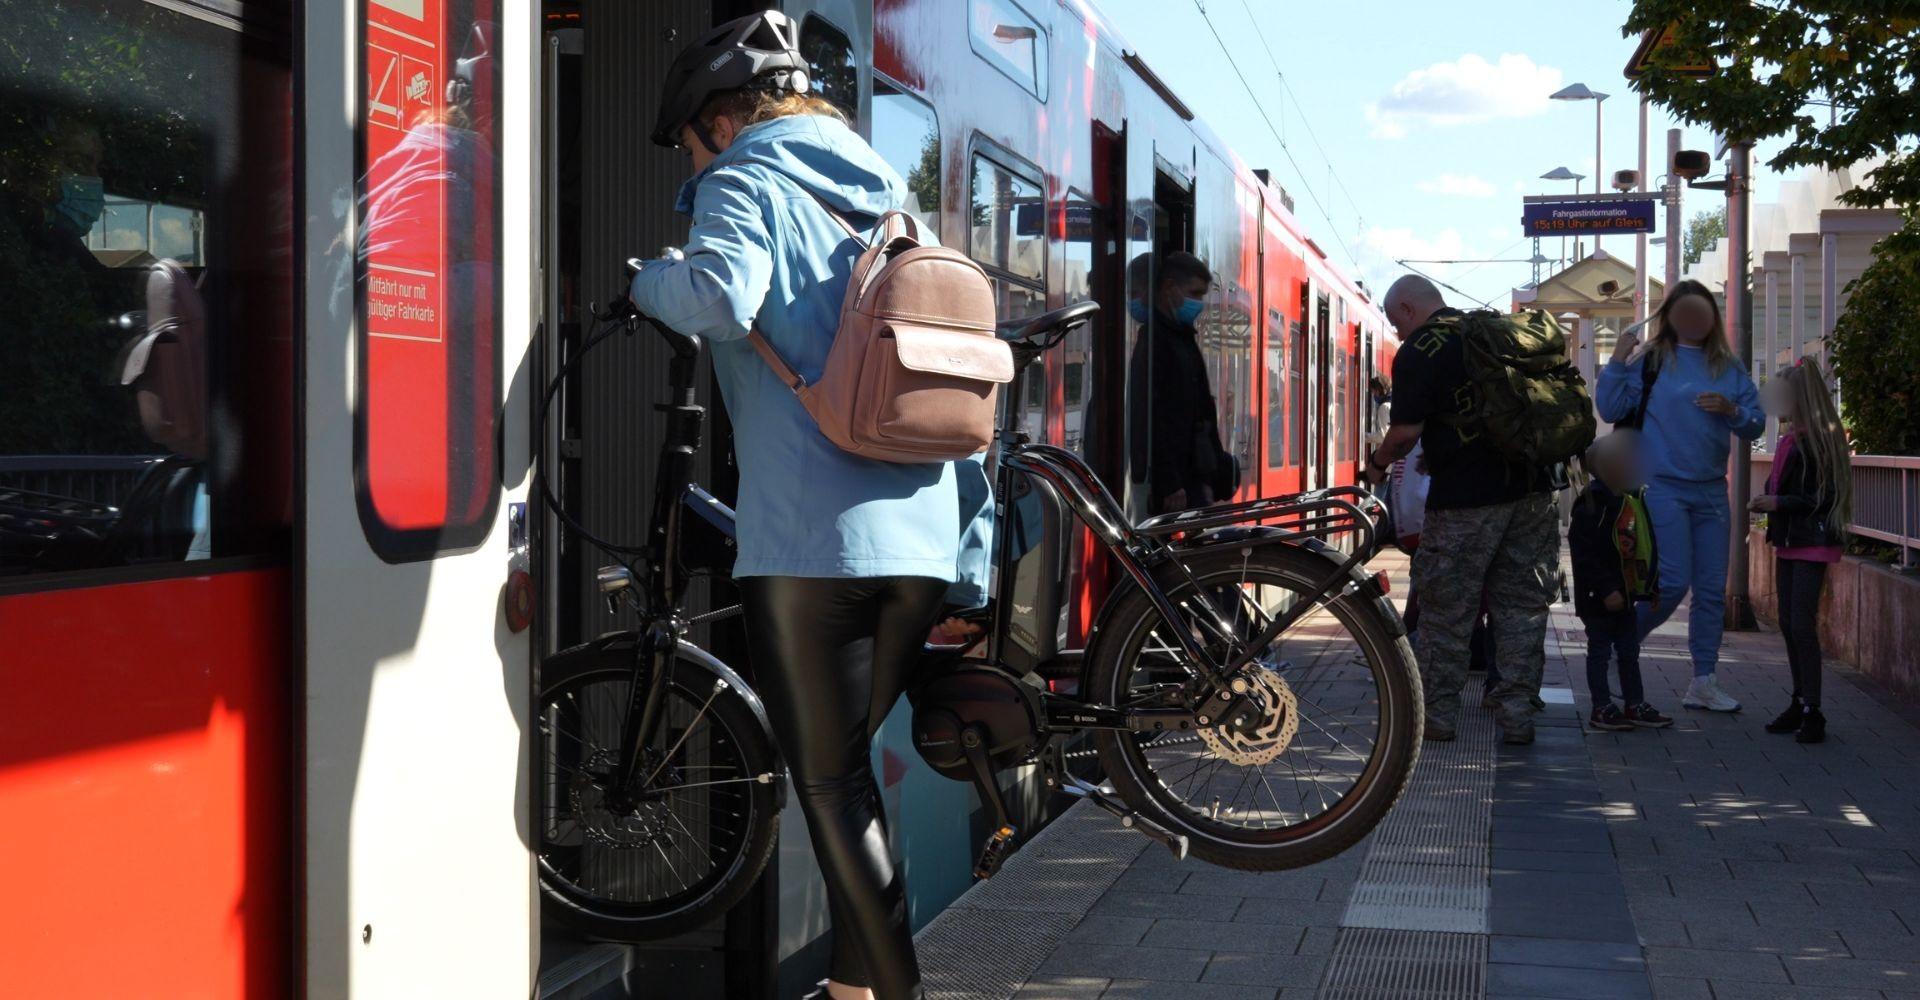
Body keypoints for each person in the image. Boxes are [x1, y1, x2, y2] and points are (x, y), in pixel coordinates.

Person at [626, 13, 987, 999]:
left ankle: (894, 991)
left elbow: (718, 298)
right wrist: (973, 554)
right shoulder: (889, 211)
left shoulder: (744, 177)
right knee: (851, 782)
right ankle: (852, 988)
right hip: (915, 547)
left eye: (689, 145)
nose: (692, 164)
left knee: (829, 787)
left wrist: (645, 282)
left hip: (813, 549)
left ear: (717, 122)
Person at [1363, 275, 1561, 745]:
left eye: (1396, 322)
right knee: (1521, 610)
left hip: (1466, 502)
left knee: (1446, 609)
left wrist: (1376, 464)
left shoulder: (1422, 349)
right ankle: (1516, 715)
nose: (1397, 333)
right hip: (1532, 493)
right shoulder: (1492, 332)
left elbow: (1405, 434)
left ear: (1409, 309)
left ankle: (1438, 717)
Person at [1597, 279, 1765, 712]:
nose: (1694, 320)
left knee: (1711, 591)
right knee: (1671, 582)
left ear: (1712, 316)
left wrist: (1733, 411)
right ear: (1668, 317)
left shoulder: (1729, 367)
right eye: (1685, 312)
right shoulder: (1652, 360)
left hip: (1711, 491)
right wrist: (1618, 357)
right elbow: (1611, 408)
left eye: (1702, 312)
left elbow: (1756, 424)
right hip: (1662, 486)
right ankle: (1622, 646)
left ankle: (1703, 680)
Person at [1751, 360, 1852, 744]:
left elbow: (1819, 497)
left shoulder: (1820, 438)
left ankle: (1812, 708)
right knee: (1791, 625)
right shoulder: (1795, 438)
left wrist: (1777, 503)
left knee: (1801, 625)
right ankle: (1801, 700)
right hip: (1792, 540)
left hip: (1811, 540)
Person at [1568, 431, 1674, 732]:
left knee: (1629, 652)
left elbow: (1644, 546)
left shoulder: (1631, 500)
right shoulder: (1592, 505)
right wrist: (1605, 589)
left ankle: (1634, 703)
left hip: (1626, 594)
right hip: (1600, 597)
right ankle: (1601, 707)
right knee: (1600, 651)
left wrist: (1649, 586)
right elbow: (1586, 554)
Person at [1128, 251, 1235, 513]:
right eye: (1194, 293)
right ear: (1170, 288)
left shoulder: (1182, 338)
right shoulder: (1156, 340)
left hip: (1190, 478)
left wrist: (1215, 469)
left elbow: (1200, 410)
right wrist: (1170, 482)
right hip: (1177, 485)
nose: (1198, 302)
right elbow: (1150, 413)